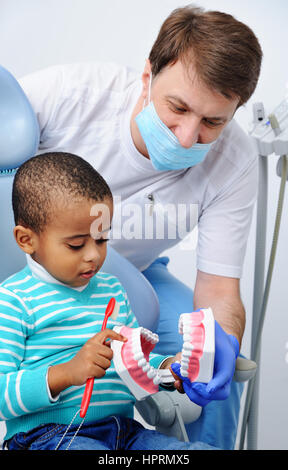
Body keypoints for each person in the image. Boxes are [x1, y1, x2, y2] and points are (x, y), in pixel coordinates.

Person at [17, 5, 263, 449]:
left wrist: (221, 342)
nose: (187, 137)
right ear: (148, 76)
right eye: (178, 107)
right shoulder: (69, 96)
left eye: (213, 122)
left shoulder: (235, 161)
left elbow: (220, 290)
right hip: (33, 269)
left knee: (211, 372)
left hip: (138, 276)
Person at [0, 151, 221, 451]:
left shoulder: (112, 290)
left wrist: (169, 367)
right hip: (49, 438)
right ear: (27, 240)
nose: (93, 254)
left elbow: (132, 362)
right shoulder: (13, 301)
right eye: (76, 244)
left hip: (125, 434)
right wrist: (66, 373)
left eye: (102, 239)